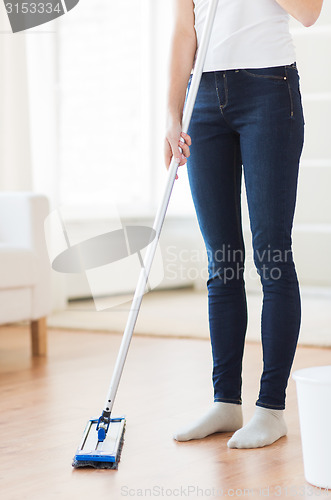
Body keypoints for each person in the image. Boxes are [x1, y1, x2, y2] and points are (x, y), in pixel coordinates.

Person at [164, 0, 324, 449]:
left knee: (271, 254)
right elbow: (183, 31)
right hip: (203, 100)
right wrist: (172, 114)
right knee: (222, 260)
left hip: (268, 89)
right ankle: (225, 401)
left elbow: (310, 12)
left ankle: (271, 409)